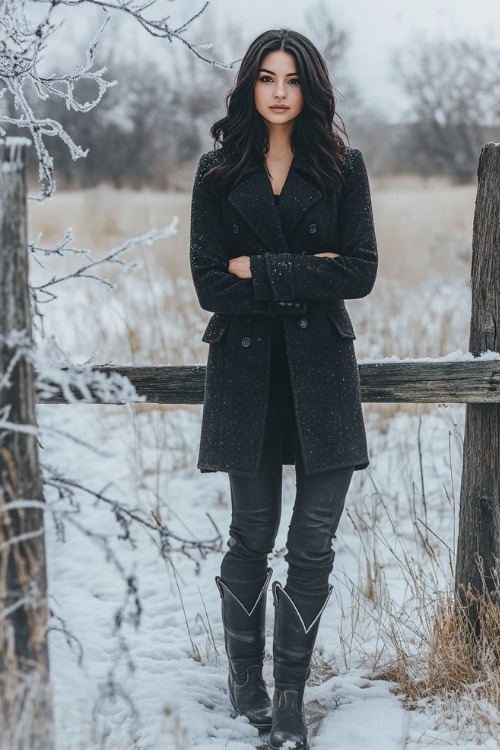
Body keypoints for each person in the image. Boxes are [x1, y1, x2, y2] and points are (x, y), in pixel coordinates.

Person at [190, 28, 377, 750]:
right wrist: (302, 269)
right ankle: (247, 680)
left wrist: (255, 270)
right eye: (266, 77)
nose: (277, 90)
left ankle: (292, 697)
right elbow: (209, 284)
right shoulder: (216, 172)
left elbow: (357, 272)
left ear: (310, 88)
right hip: (245, 375)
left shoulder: (342, 168)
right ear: (248, 86)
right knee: (253, 532)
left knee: (313, 541)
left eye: (291, 79)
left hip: (321, 375)